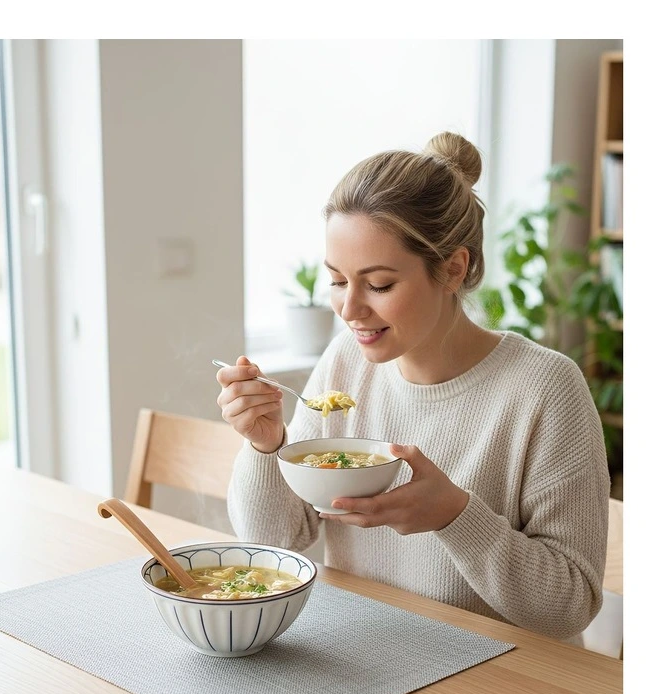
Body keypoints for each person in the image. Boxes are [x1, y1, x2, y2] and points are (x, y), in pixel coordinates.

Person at [215, 132, 610, 640]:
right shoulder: (345, 363)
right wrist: (268, 445)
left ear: (452, 268)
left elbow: (571, 606)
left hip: (499, 684)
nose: (350, 309)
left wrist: (454, 515)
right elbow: (272, 539)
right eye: (337, 281)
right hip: (366, 656)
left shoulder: (545, 389)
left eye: (378, 285)